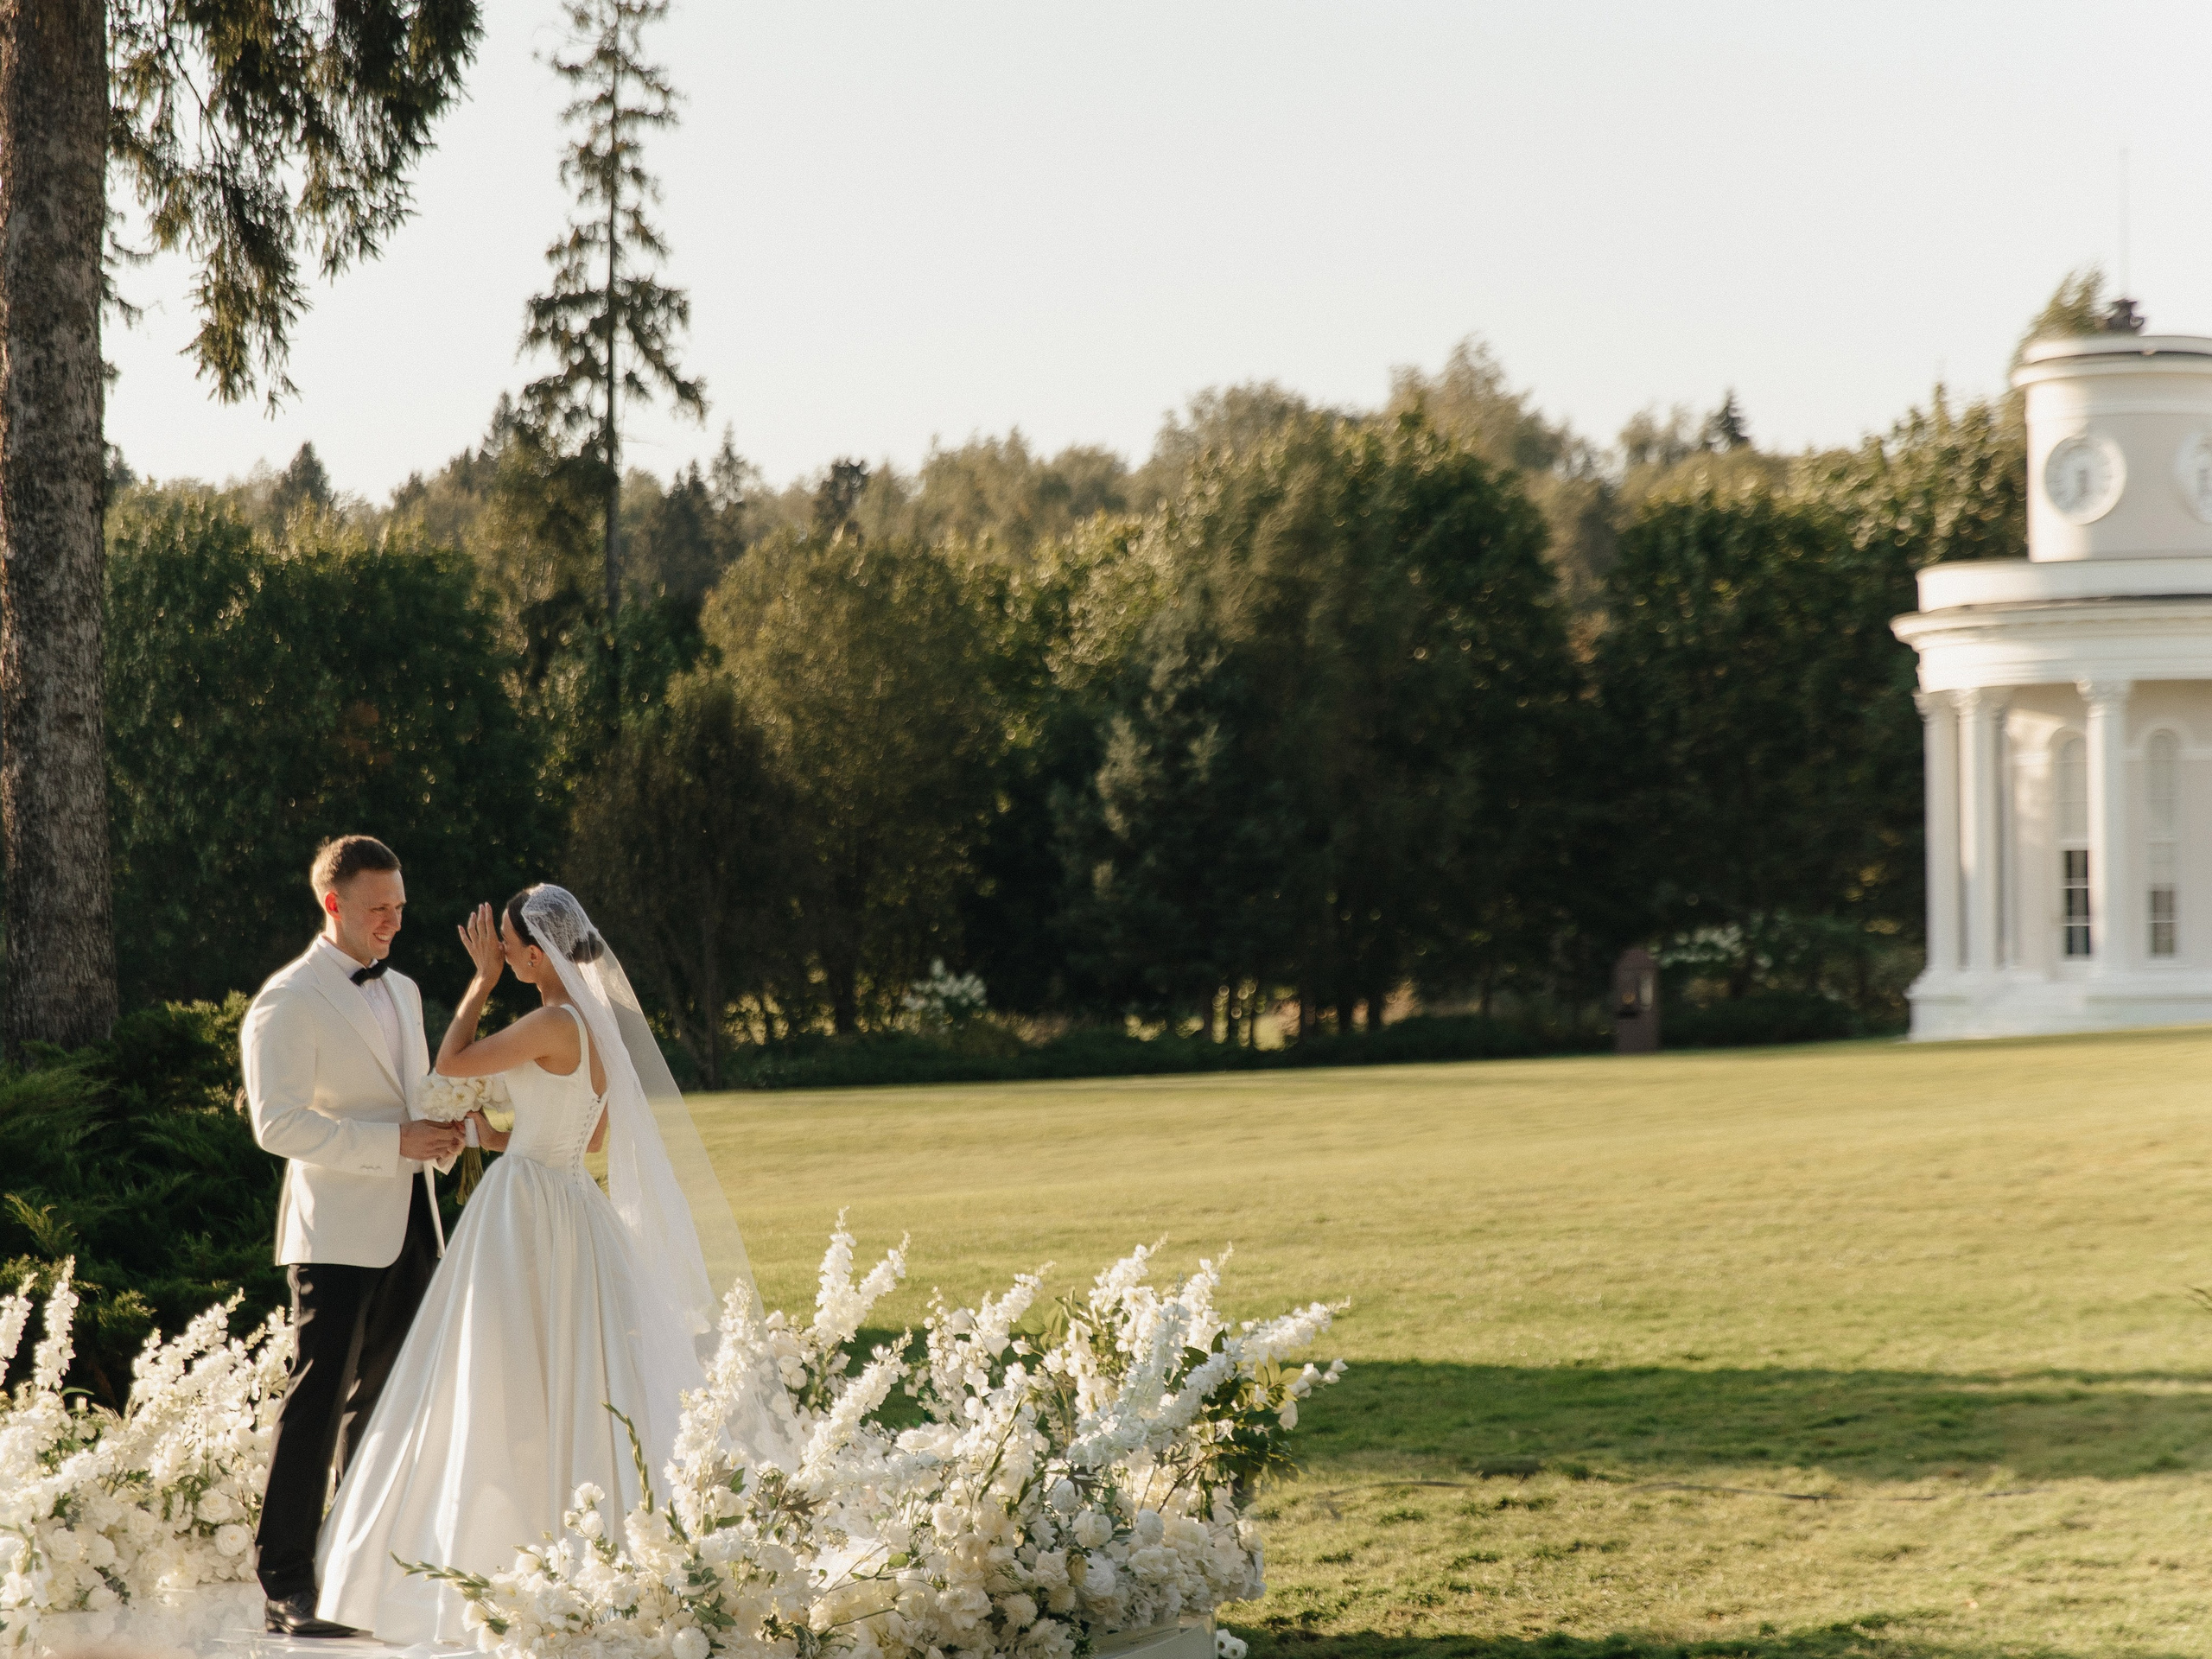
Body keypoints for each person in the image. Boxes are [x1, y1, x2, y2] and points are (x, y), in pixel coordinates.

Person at [314, 884, 795, 1644]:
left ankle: (501, 1550)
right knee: (578, 1371)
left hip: (526, 1212)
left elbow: (449, 1068)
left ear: (537, 954)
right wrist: (489, 1135)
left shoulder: (549, 1021)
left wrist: (478, 984)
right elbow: (588, 1138)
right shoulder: (598, 1028)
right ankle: (584, 1548)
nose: (502, 955)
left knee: (501, 1373)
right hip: (574, 1205)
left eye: (507, 947)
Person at [244, 836, 465, 1638]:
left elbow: (411, 1096)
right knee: (316, 1405)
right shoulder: (287, 999)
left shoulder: (403, 988)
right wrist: (392, 1144)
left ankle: (354, 1567)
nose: (394, 922)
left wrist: (447, 1129)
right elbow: (276, 1125)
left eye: (400, 907)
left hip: (413, 1221)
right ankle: (285, 1583)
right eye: (379, 909)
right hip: (334, 1233)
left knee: (389, 1404)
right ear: (332, 904)